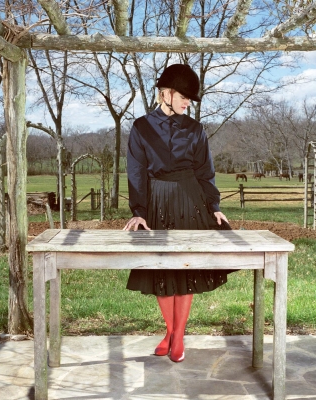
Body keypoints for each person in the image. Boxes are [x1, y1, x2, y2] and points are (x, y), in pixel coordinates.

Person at [123, 63, 233, 363]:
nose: (187, 103)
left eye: (189, 98)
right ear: (165, 93)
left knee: (186, 270)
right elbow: (136, 174)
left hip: (190, 201)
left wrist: (214, 206)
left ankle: (179, 335)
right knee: (162, 271)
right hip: (157, 202)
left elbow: (205, 172)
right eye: (183, 96)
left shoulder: (195, 129)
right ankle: (171, 331)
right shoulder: (141, 128)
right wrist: (139, 211)